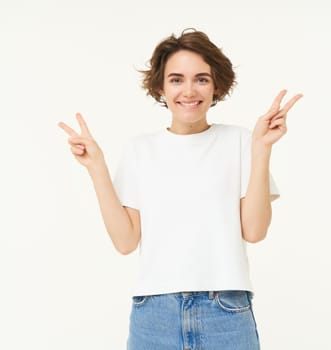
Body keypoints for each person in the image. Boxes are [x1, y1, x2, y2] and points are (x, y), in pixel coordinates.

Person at [58, 28, 302, 350]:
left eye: (201, 79)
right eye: (176, 79)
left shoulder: (242, 141)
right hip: (154, 314)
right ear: (161, 86)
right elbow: (125, 241)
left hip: (226, 311)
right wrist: (97, 168)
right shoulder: (139, 150)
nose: (189, 90)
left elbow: (254, 231)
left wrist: (262, 149)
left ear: (217, 86)